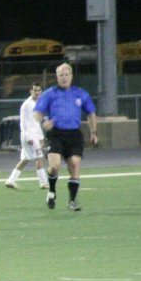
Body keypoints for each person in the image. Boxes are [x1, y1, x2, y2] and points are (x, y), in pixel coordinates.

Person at [33, 62, 98, 211]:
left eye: (66, 74)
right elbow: (37, 112)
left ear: (71, 76)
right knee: (54, 166)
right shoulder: (50, 93)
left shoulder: (80, 93)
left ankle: (72, 201)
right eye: (61, 75)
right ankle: (52, 190)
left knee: (74, 164)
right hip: (56, 134)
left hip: (74, 134)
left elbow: (91, 113)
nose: (64, 77)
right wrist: (44, 121)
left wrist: (94, 132)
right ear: (57, 77)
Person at [5, 83, 50, 190]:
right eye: (35, 90)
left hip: (34, 135)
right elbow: (24, 124)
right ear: (30, 91)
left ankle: (11, 181)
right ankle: (43, 182)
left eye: (39, 90)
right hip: (28, 135)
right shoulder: (26, 105)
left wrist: (41, 137)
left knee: (25, 159)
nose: (37, 92)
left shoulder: (39, 103)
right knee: (39, 157)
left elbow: (36, 122)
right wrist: (28, 138)